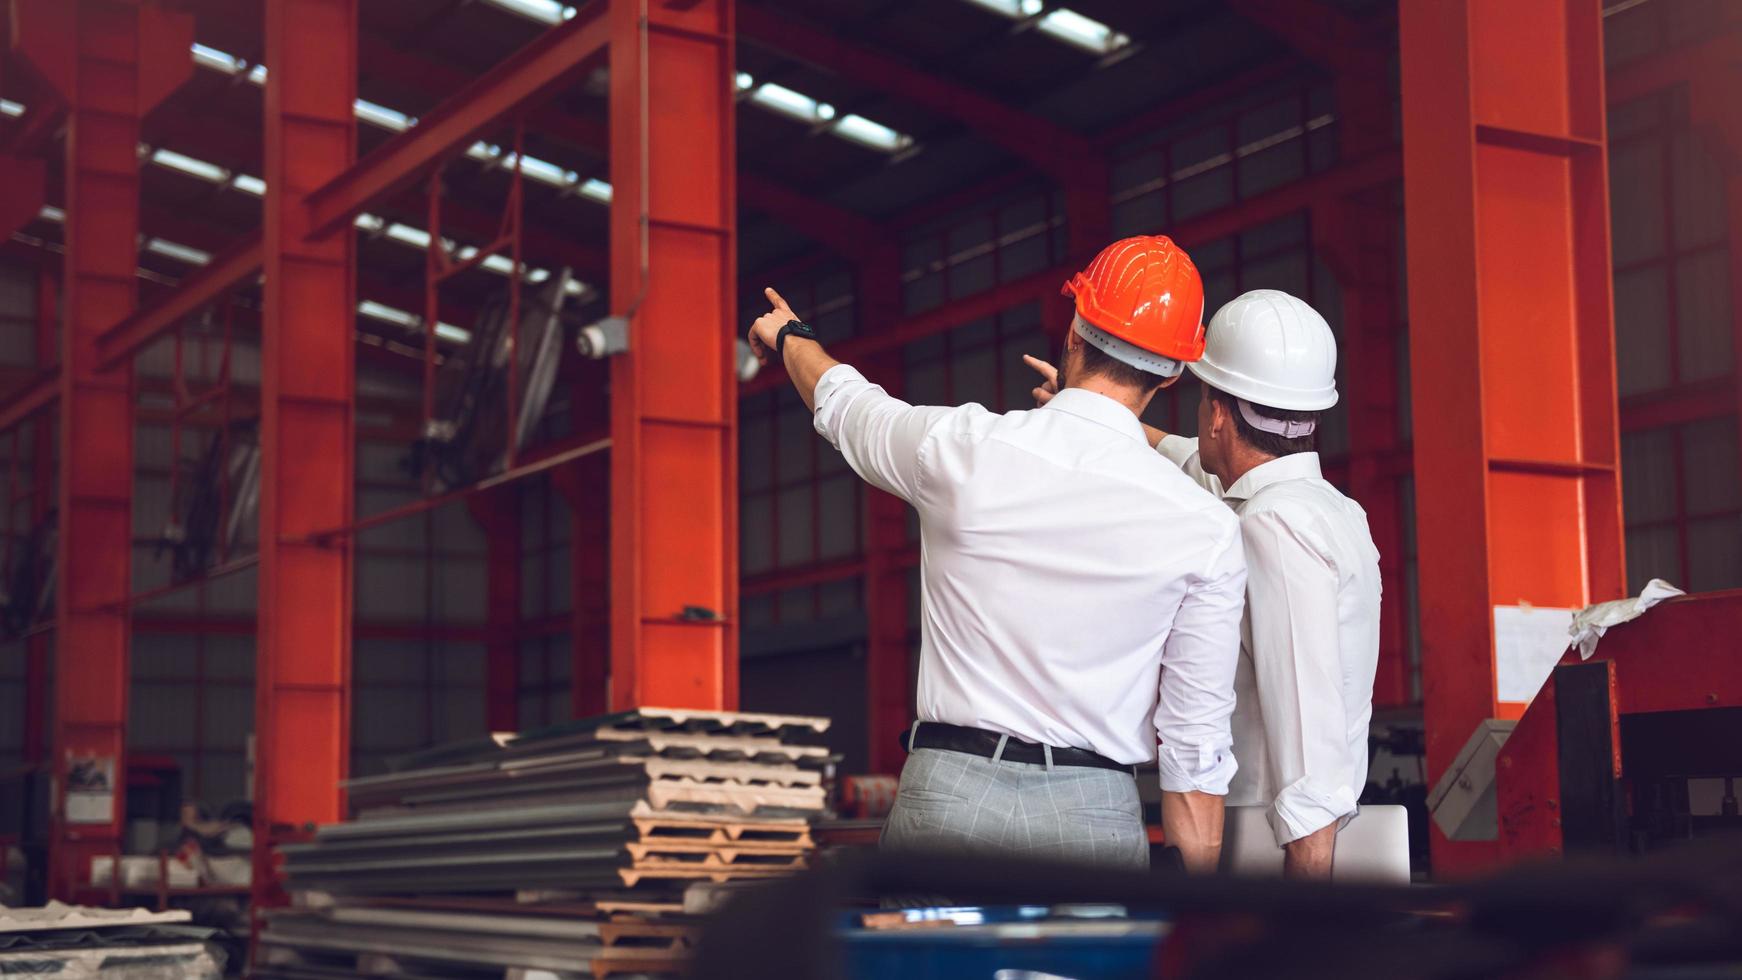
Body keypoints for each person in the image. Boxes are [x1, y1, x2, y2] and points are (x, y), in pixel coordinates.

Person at [745, 236, 1247, 873]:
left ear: (1074, 331)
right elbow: (1195, 746)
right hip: (1093, 817)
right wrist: (1199, 909)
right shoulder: (1205, 528)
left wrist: (791, 334)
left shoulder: (961, 448)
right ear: (1176, 371)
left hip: (951, 801)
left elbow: (849, 408)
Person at [1028, 288, 1381, 879]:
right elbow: (1187, 456)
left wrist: (1310, 926)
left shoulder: (1275, 525)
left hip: (1277, 852)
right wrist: (1086, 408)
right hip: (1282, 836)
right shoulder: (1327, 508)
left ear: (1217, 412)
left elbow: (1307, 730)